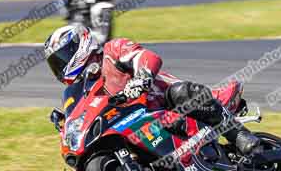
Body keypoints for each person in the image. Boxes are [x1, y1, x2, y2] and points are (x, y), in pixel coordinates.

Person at [43, 24, 263, 158]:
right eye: (56, 64)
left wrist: (142, 78)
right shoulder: (81, 90)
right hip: (139, 126)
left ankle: (239, 135)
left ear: (80, 45)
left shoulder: (112, 50)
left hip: (169, 106)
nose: (61, 66)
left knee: (180, 92)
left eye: (63, 58)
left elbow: (148, 57)